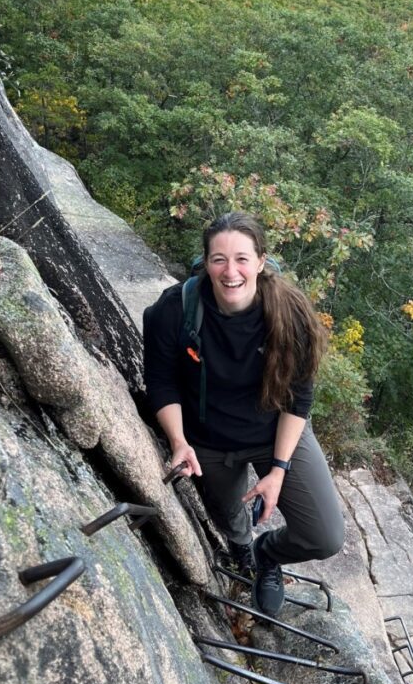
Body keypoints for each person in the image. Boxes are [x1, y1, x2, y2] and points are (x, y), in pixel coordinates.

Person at [143, 211, 345, 616]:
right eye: (219, 259)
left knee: (325, 536)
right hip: (207, 441)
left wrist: (279, 470)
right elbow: (161, 382)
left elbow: (298, 399)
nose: (230, 271)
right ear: (205, 263)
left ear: (261, 262)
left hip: (273, 432)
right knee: (230, 515)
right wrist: (179, 441)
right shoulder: (173, 311)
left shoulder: (290, 317)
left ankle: (267, 554)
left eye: (241, 258)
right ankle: (243, 553)